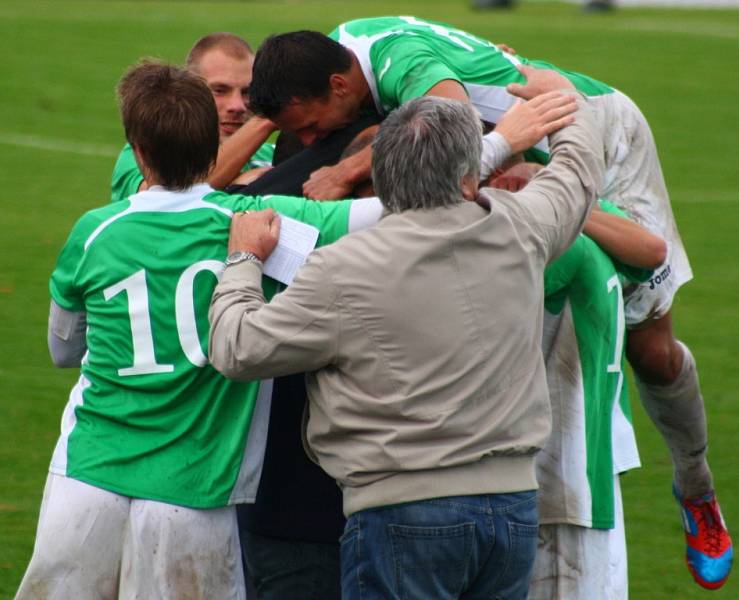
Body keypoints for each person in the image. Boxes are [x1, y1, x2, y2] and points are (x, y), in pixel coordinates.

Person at [248, 17, 733, 588]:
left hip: (592, 125)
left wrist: (347, 170)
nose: (311, 143)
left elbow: (451, 114)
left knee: (651, 347)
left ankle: (697, 488)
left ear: (339, 84)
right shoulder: (330, 61)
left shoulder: (391, 57)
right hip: (518, 156)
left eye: (310, 128)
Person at [207, 80, 603, 598]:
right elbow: (577, 173)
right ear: (468, 180)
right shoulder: (521, 226)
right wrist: (565, 99)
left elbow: (237, 349)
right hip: (512, 509)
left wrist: (243, 261)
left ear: (382, 175)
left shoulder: (342, 268)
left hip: (400, 510)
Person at [15, 60, 381, 600]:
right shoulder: (265, 220)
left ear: (136, 149)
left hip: (86, 476)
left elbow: (64, 350)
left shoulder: (95, 229)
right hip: (194, 491)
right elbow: (407, 208)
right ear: (215, 144)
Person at [529, 201, 666, 599]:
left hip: (567, 476)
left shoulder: (558, 225)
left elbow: (653, 251)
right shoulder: (549, 216)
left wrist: (563, 209)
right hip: (575, 469)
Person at [110, 33, 277, 203]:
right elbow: (167, 200)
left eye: (247, 92)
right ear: (189, 91)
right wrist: (265, 120)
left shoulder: (271, 155)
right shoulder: (146, 151)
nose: (238, 106)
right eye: (219, 90)